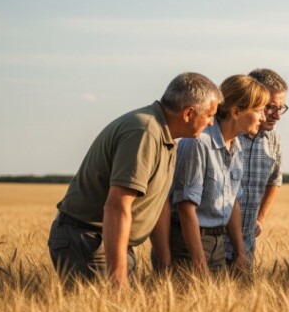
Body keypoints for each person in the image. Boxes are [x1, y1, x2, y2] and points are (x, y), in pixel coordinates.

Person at [48, 72, 222, 287]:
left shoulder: (166, 137)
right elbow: (117, 205)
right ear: (188, 113)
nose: (212, 122)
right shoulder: (145, 132)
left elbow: (157, 205)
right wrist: (118, 277)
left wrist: (164, 265)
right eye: (209, 115)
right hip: (90, 239)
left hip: (109, 241)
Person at [156, 75, 268, 273]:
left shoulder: (237, 145)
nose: (263, 118)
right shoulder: (198, 142)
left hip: (218, 244)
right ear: (236, 111)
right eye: (259, 110)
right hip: (187, 244)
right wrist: (198, 263)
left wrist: (240, 252)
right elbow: (185, 207)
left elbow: (232, 200)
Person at [225, 68, 287, 266]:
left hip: (247, 243)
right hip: (214, 243)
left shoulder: (274, 139)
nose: (277, 115)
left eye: (282, 108)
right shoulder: (227, 135)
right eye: (269, 107)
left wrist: (260, 219)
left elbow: (274, 181)